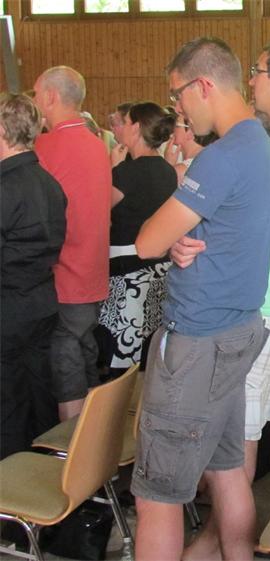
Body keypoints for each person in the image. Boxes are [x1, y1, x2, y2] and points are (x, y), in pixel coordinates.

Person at [131, 37, 270, 561]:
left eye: (177, 95)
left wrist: (167, 235)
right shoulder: (262, 145)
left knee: (157, 495)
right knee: (226, 469)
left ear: (203, 85)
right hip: (237, 330)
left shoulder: (220, 158)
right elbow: (226, 230)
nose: (178, 109)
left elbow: (145, 242)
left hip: (198, 340)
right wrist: (183, 238)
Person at [32, 65, 112, 421]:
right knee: (84, 347)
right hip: (93, 269)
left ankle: (70, 441)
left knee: (63, 351)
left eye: (36, 94)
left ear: (50, 97)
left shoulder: (46, 145)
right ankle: (93, 434)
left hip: (64, 271)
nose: (35, 101)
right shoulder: (96, 144)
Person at [0, 93, 67, 459]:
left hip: (8, 308)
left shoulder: (5, 187)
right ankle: (41, 468)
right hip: (42, 302)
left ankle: (11, 483)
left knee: (9, 403)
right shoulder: (49, 183)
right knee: (40, 394)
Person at [97, 102, 177, 375]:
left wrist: (113, 170)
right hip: (159, 270)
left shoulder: (126, 173)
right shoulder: (167, 170)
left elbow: (99, 213)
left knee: (122, 353)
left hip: (127, 273)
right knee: (149, 350)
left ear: (136, 128)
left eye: (126, 122)